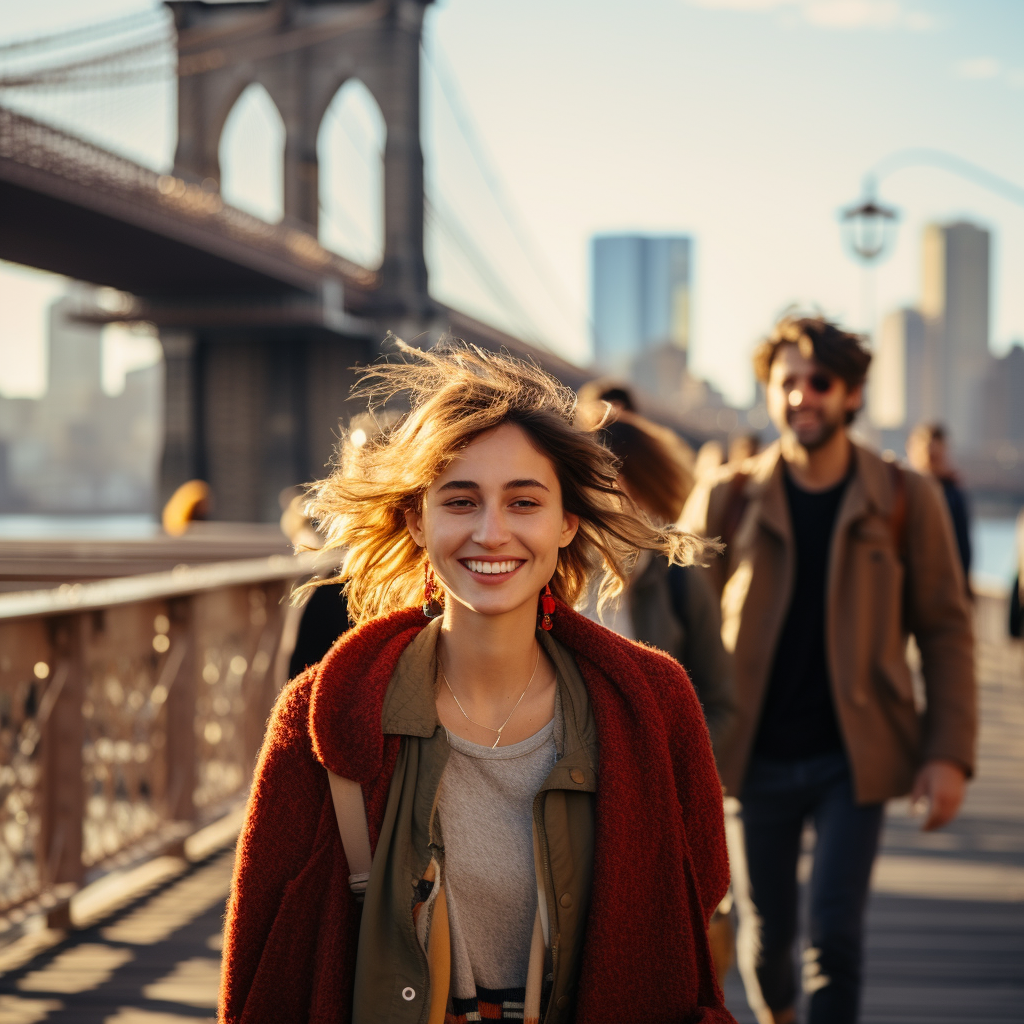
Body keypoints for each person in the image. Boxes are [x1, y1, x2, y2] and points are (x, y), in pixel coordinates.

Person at [220, 340, 735, 1024]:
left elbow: (692, 915)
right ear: (417, 520)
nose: (492, 533)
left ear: (565, 524)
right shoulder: (318, 715)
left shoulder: (655, 704)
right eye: (460, 501)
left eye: (524, 503)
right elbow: (260, 974)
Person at [682, 314, 976, 1024]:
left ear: (852, 394)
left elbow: (944, 629)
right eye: (788, 382)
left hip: (857, 754)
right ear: (770, 392)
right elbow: (678, 633)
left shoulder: (908, 499)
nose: (802, 396)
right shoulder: (728, 496)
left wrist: (948, 757)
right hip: (752, 756)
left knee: (836, 941)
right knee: (767, 943)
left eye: (821, 382)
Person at [906, 422, 972, 588]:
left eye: (936, 456)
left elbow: (963, 548)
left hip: (944, 586)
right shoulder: (902, 492)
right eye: (928, 455)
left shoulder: (953, 496)